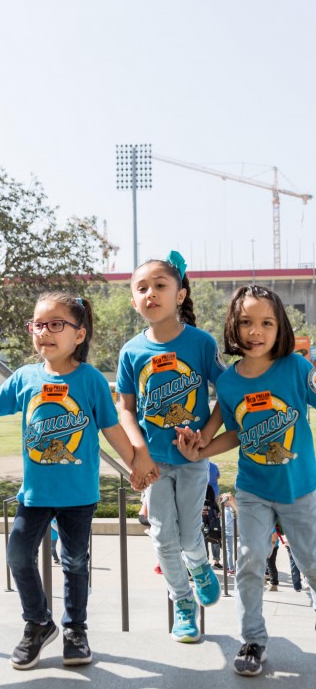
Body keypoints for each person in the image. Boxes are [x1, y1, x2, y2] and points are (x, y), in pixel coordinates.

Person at [0, 292, 146, 669]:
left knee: (75, 562)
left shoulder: (90, 380)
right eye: (38, 325)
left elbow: (112, 430)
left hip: (78, 495)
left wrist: (136, 466)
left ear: (79, 334)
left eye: (56, 324)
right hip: (35, 494)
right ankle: (38, 623)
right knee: (17, 555)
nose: (45, 332)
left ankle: (76, 630)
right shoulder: (25, 377)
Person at [176, 284, 316, 677]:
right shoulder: (230, 383)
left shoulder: (296, 368)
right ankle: (252, 640)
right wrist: (198, 449)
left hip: (301, 489)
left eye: (266, 322)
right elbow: (233, 433)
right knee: (250, 560)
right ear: (233, 329)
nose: (256, 331)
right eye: (246, 322)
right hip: (253, 491)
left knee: (312, 564)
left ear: (280, 327)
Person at [116, 250, 225, 643]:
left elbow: (228, 394)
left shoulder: (200, 342)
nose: (151, 293)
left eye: (160, 286)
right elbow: (125, 410)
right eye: (141, 288)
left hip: (193, 461)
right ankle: (183, 603)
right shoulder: (131, 351)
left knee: (191, 536)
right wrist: (138, 452)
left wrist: (207, 438)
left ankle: (199, 569)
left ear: (180, 294)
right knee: (162, 535)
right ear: (133, 300)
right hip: (154, 463)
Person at [202, 484, 223, 569]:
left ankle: (205, 561)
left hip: (203, 524)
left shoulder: (200, 504)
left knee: (204, 542)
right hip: (213, 525)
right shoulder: (214, 505)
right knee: (215, 541)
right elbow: (218, 513)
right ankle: (216, 561)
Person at [220, 491, 237, 574]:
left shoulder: (227, 509)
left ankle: (227, 566)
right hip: (228, 533)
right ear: (226, 503)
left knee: (228, 550)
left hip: (229, 533)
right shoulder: (226, 511)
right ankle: (230, 567)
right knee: (229, 551)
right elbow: (227, 523)